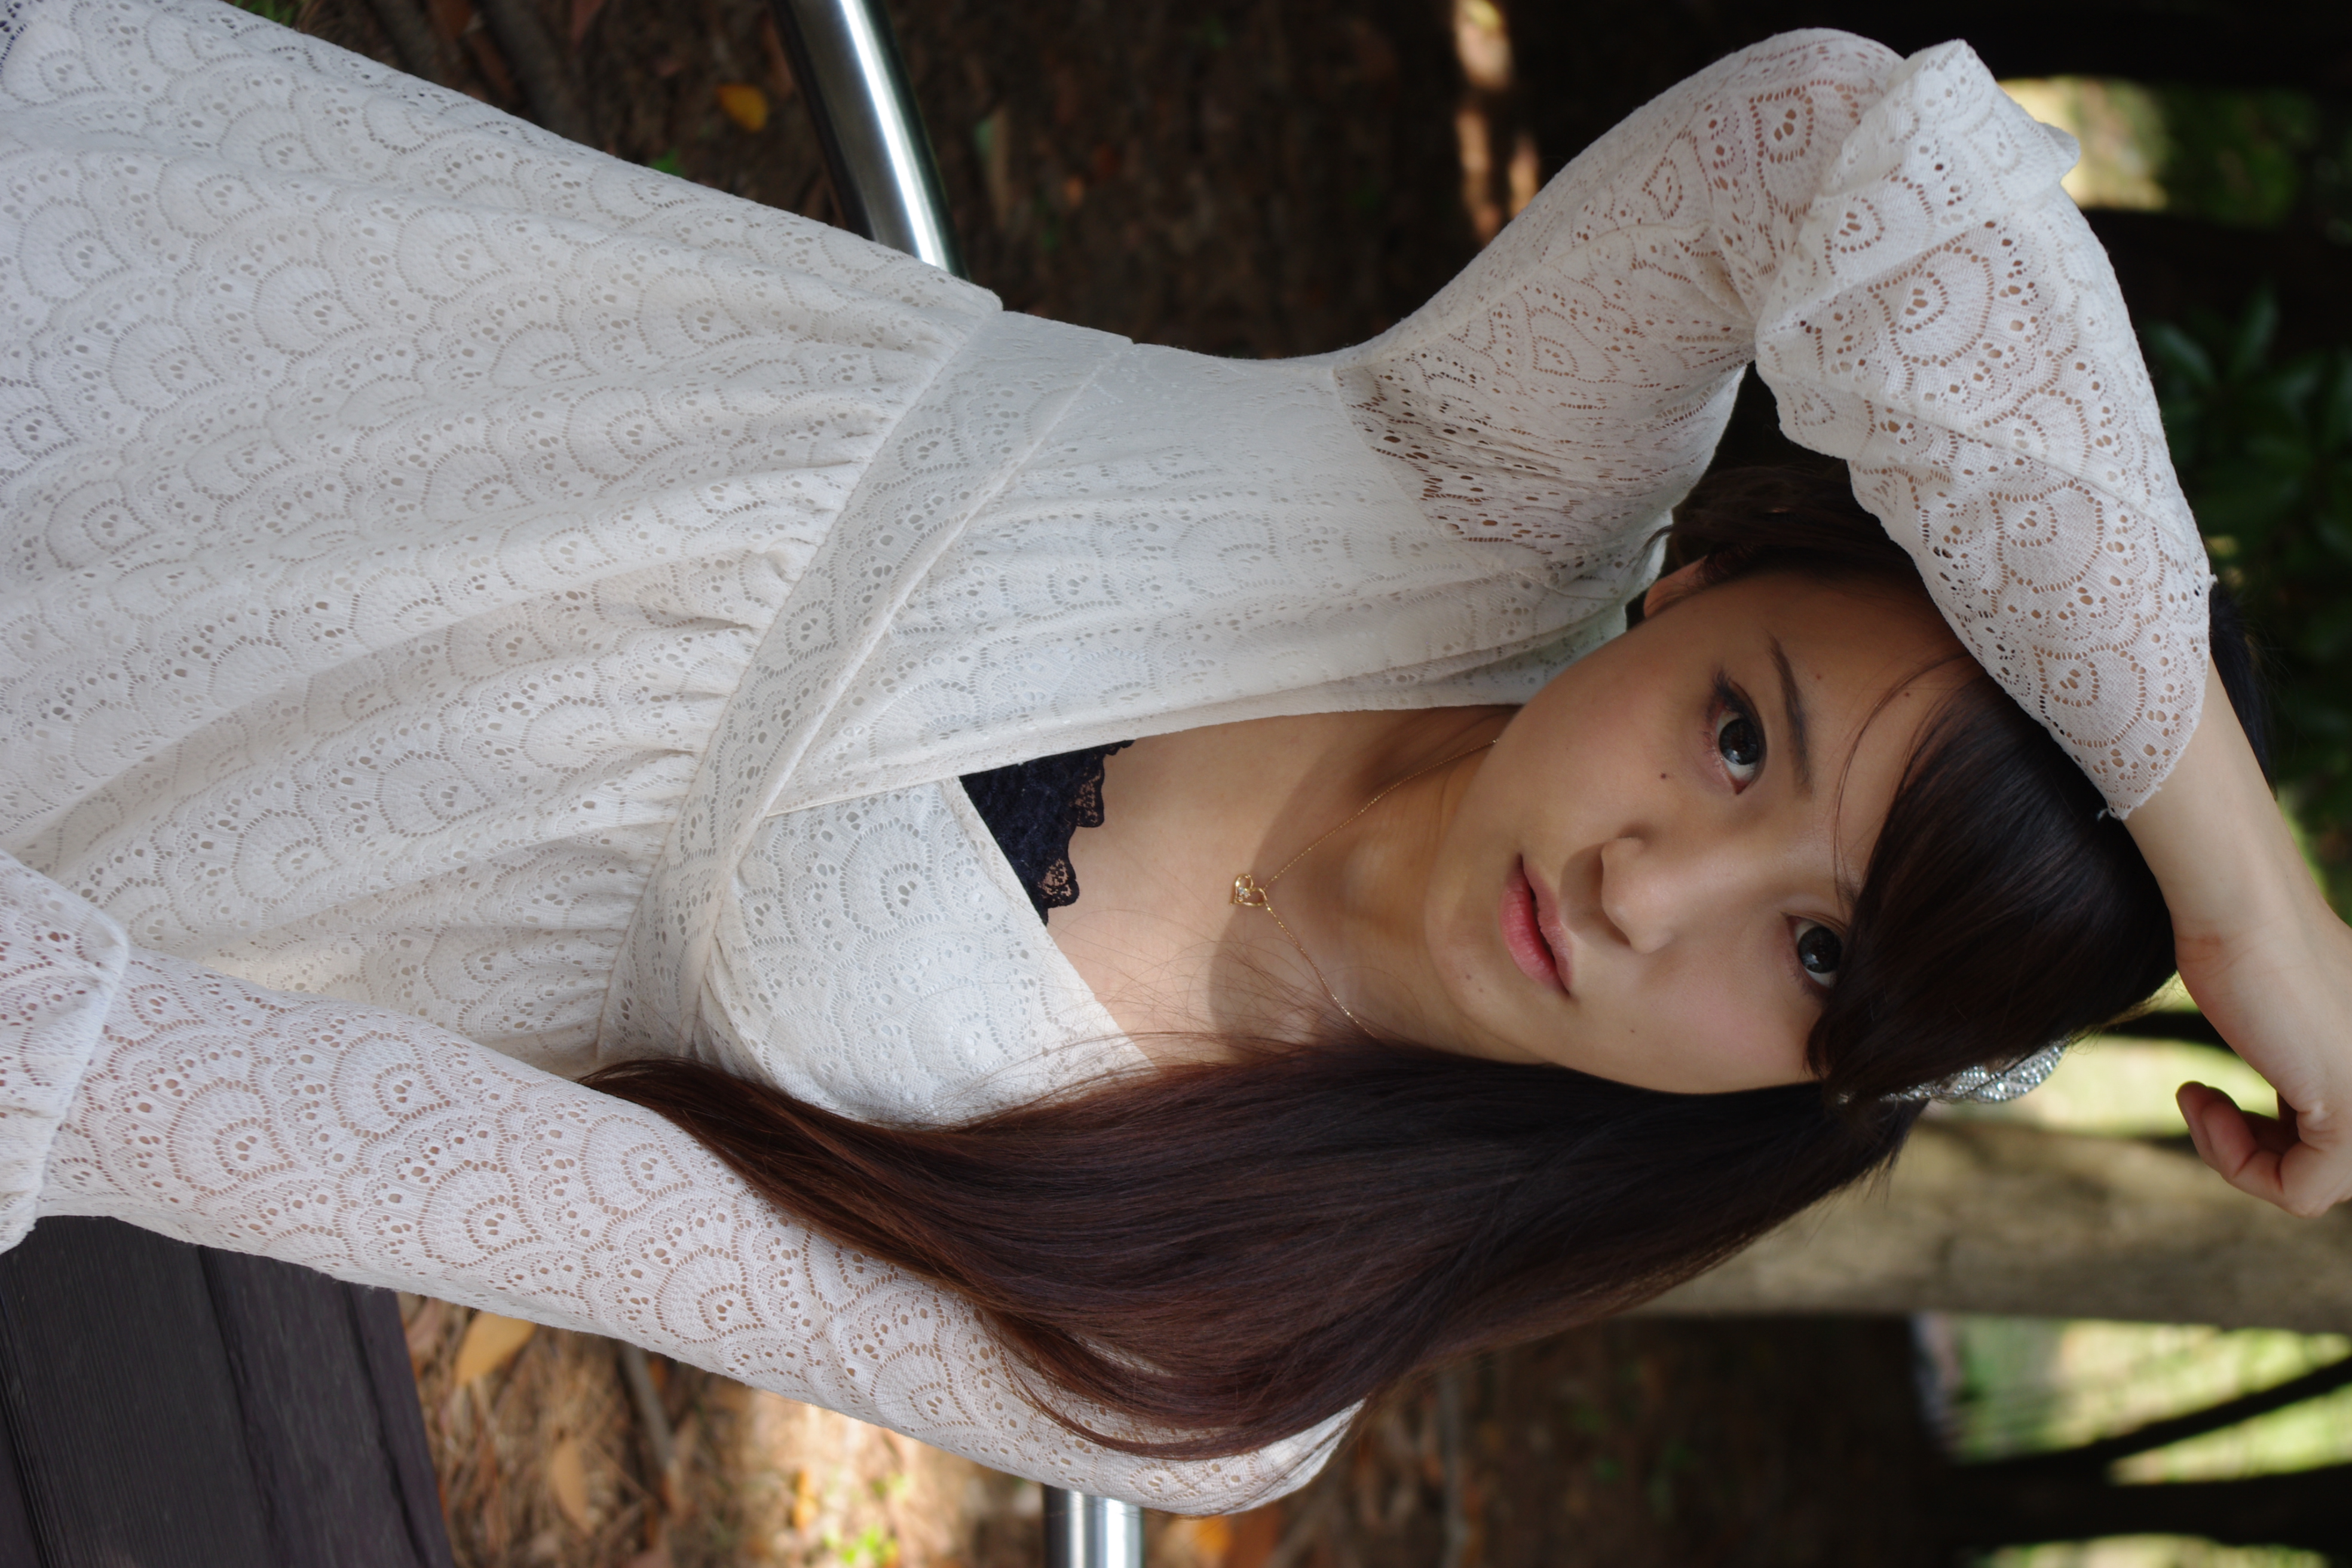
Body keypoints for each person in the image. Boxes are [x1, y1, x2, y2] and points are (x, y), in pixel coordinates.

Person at [1, 0, 2344, 1510]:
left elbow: (449, 1178)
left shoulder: (1218, 1327)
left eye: (1817, 956)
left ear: (1830, 1083)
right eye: (1738, 734)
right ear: (1691, 582)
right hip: (174, 271)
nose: (1652, 886)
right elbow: (1844, 148)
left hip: (147, 814)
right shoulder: (1474, 491)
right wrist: (2244, 892)